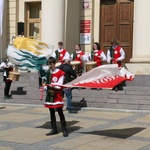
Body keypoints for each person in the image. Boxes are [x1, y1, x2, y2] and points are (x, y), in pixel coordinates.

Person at [44, 57, 68, 137]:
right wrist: (45, 86)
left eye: (51, 65)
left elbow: (59, 85)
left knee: (60, 112)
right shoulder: (49, 72)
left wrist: (53, 85)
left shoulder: (60, 73)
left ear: (54, 64)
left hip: (57, 95)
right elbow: (46, 81)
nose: (50, 67)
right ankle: (54, 129)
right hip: (50, 95)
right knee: (51, 112)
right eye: (49, 65)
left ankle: (64, 129)